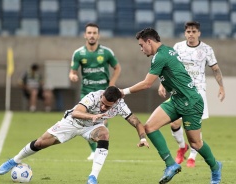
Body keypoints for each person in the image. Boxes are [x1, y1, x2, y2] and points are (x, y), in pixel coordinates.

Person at [120, 28, 222, 184]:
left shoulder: (160, 56)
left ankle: (215, 167)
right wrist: (165, 84)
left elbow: (147, 83)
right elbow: (174, 72)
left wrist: (123, 91)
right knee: (149, 127)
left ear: (149, 41)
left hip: (191, 101)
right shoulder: (167, 50)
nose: (141, 49)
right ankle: (171, 165)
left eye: (141, 45)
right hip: (176, 99)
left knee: (195, 142)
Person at [0, 86, 149, 184]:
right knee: (40, 143)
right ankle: (14, 161)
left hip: (93, 127)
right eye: (102, 103)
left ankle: (93, 177)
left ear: (116, 102)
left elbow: (136, 122)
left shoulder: (120, 105)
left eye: (107, 106)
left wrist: (142, 138)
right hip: (72, 123)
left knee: (104, 133)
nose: (103, 107)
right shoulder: (94, 96)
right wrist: (92, 116)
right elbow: (76, 112)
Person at [158, 21, 225, 168]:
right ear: (185, 33)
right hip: (179, 89)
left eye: (194, 31)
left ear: (199, 33)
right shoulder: (178, 47)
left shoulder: (207, 49)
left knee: (194, 126)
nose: (191, 34)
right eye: (188, 32)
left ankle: (193, 157)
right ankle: (182, 147)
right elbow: (168, 67)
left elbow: (215, 68)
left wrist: (221, 86)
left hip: (197, 91)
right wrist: (163, 83)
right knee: (174, 123)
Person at [69, 23, 121, 160]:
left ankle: (99, 149)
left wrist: (112, 84)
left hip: (102, 95)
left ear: (98, 35)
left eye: (94, 33)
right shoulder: (79, 53)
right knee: (85, 121)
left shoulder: (106, 52)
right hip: (86, 92)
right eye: (89, 33)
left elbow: (117, 68)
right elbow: (72, 71)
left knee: (102, 122)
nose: (92, 35)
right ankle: (94, 152)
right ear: (85, 35)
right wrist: (72, 76)